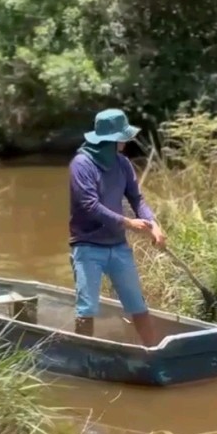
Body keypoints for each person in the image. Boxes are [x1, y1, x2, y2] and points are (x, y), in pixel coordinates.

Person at [68, 108, 166, 345]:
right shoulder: (81, 164)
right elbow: (90, 206)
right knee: (87, 307)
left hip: (117, 246)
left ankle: (153, 351)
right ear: (112, 139)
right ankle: (84, 356)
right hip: (88, 246)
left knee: (137, 303)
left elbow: (136, 198)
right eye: (123, 136)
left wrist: (153, 224)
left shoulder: (122, 163)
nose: (126, 141)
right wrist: (127, 222)